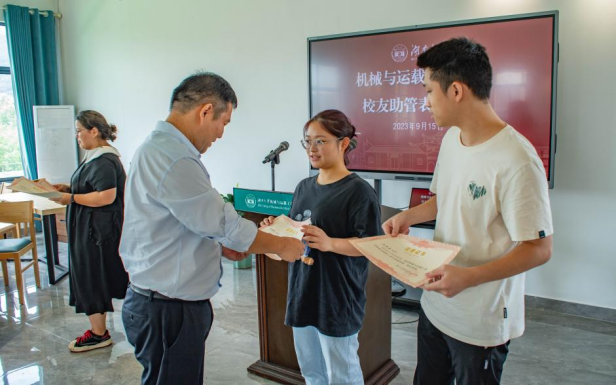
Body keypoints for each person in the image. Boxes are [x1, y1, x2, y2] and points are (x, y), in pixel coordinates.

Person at [382, 38, 553, 385]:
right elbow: (446, 198)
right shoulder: (452, 139)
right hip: (435, 306)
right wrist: (408, 216)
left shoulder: (517, 160)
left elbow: (539, 248)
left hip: (480, 322)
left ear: (456, 90)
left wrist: (467, 277)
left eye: (429, 91)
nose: (425, 101)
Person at [118, 72, 304, 385]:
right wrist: (283, 246)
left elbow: (184, 221)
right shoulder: (173, 157)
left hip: (160, 301)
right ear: (205, 111)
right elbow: (222, 223)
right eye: (224, 123)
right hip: (168, 309)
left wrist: (219, 246)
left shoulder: (161, 149)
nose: (220, 134)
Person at [261, 110, 381, 385]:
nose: (312, 149)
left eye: (320, 141)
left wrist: (330, 243)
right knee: (312, 373)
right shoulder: (303, 187)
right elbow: (295, 237)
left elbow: (372, 246)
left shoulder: (359, 191)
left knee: (342, 376)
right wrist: (275, 230)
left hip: (337, 298)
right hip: (303, 293)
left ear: (344, 143)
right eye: (308, 141)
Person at [51, 110, 129, 352]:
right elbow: (91, 186)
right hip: (91, 228)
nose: (77, 136)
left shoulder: (104, 160)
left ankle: (98, 334)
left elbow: (106, 196)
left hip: (97, 232)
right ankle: (98, 330)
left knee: (92, 276)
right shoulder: (95, 157)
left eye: (79, 131)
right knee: (91, 275)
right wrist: (67, 188)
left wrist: (70, 197)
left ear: (94, 131)